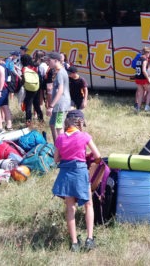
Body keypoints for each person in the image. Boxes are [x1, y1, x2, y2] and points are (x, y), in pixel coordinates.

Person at [52, 110, 101, 252]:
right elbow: (97, 156)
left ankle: (74, 243)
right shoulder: (84, 136)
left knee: (70, 208)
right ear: (80, 122)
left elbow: (56, 159)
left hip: (66, 174)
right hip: (80, 173)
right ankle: (89, 239)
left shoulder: (60, 138)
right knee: (88, 204)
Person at [46, 52, 71, 142]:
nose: (47, 62)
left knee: (59, 126)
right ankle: (57, 146)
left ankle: (62, 149)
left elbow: (60, 91)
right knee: (52, 124)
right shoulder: (57, 72)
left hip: (61, 105)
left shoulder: (61, 72)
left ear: (56, 60)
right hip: (58, 104)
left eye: (49, 60)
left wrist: (51, 106)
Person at [134, 47, 150, 111]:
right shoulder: (144, 60)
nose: (149, 54)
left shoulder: (138, 59)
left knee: (141, 93)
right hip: (143, 78)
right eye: (149, 52)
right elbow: (144, 70)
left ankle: (138, 108)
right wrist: (148, 78)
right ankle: (147, 106)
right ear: (146, 53)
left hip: (137, 78)